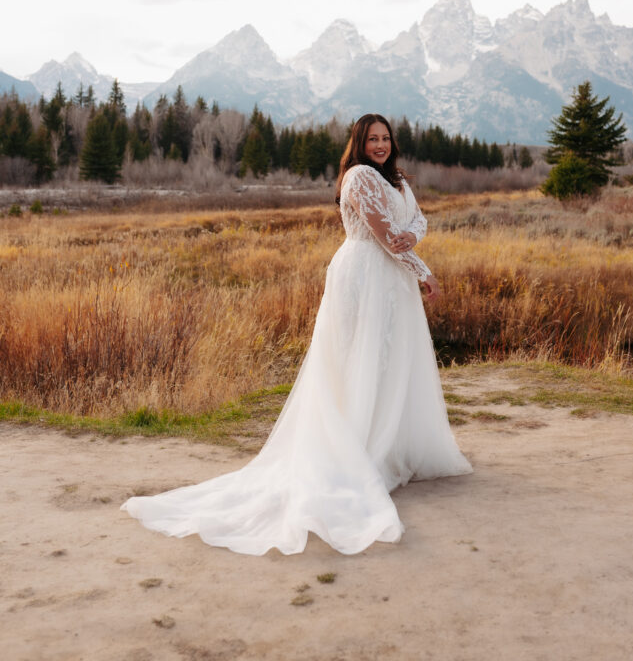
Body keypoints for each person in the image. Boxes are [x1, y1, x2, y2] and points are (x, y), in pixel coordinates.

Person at [121, 113, 472, 555]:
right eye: (372, 139)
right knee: (356, 361)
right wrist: (423, 268)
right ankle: (354, 451)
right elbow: (387, 237)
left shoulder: (399, 180)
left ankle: (386, 448)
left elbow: (418, 223)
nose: (380, 145)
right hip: (364, 275)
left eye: (386, 138)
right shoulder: (359, 177)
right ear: (358, 144)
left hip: (392, 283)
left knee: (391, 360)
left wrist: (412, 240)